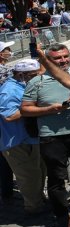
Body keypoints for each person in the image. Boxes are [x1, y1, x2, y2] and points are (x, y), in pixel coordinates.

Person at [20, 44, 70, 227]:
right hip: (51, 137)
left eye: (66, 56)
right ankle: (60, 214)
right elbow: (25, 110)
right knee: (57, 177)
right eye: (58, 58)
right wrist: (50, 109)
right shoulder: (37, 82)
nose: (63, 60)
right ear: (49, 61)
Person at [0, 59, 47, 213]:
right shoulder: (9, 90)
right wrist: (34, 108)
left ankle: (38, 200)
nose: (37, 77)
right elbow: (8, 115)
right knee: (28, 177)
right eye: (34, 75)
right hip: (17, 142)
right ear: (22, 74)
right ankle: (33, 208)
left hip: (29, 138)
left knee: (38, 172)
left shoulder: (24, 85)